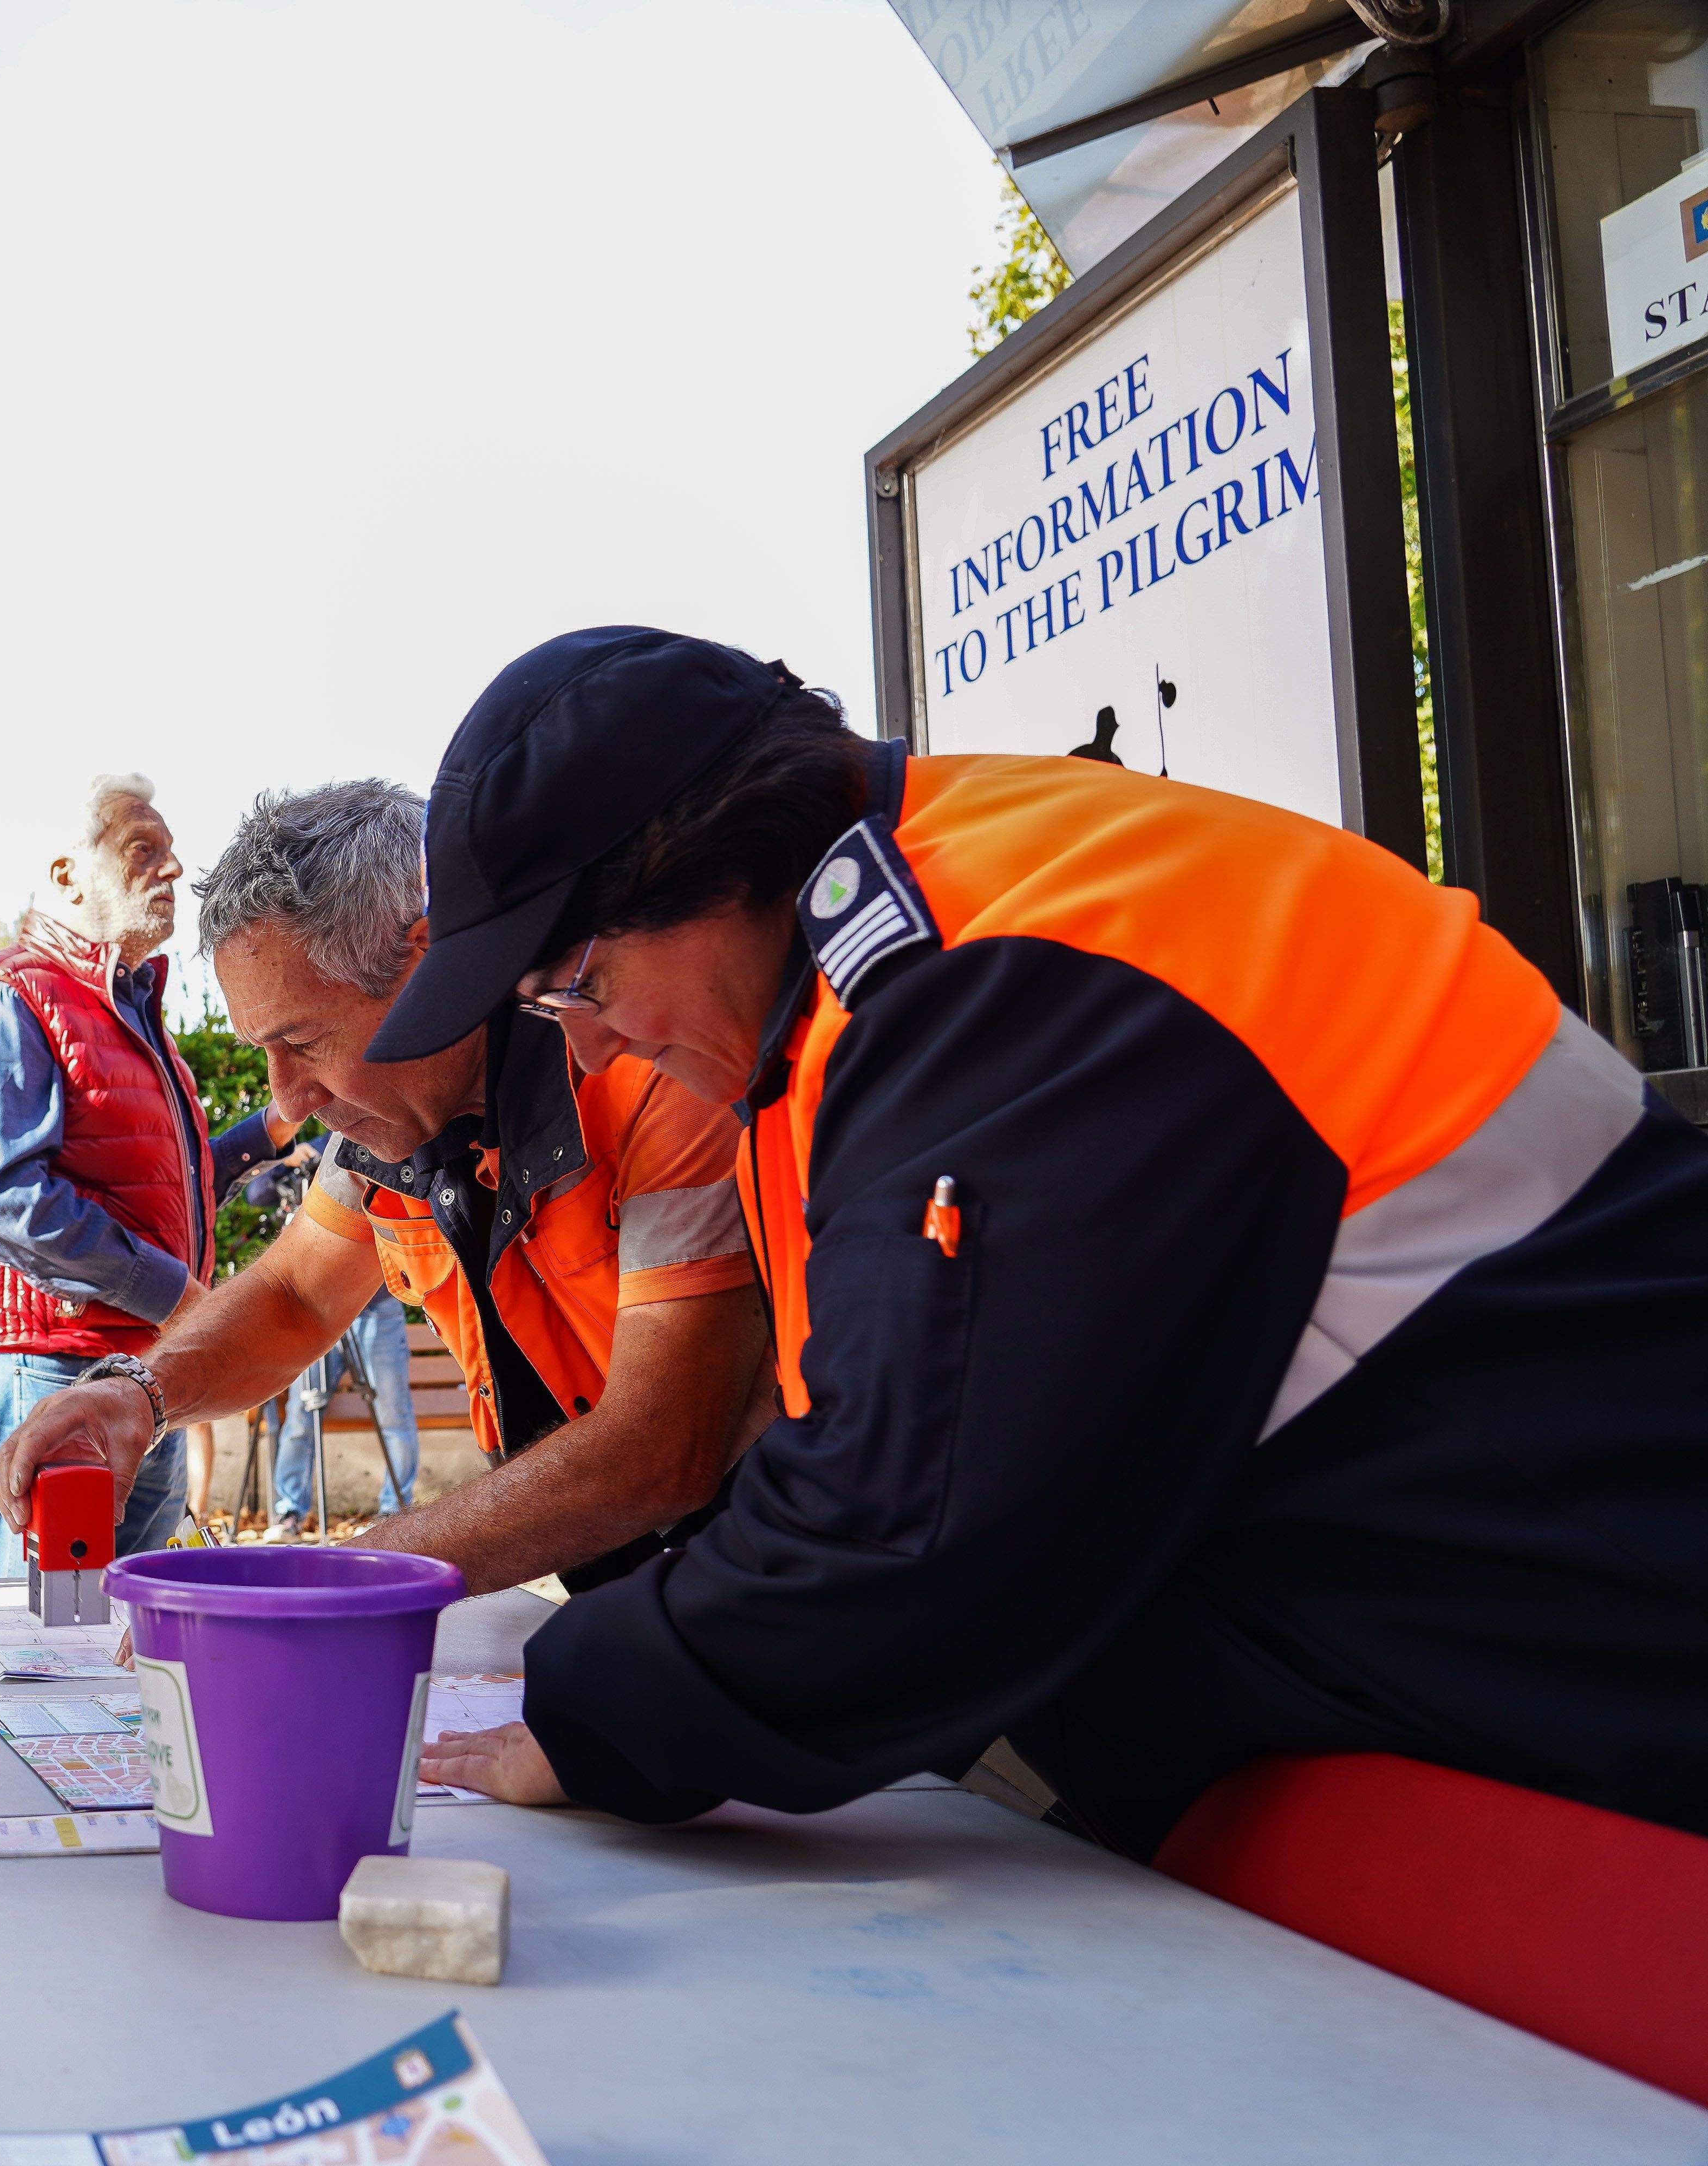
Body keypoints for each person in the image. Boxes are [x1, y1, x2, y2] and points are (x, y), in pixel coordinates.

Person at [395, 626, 1708, 1860]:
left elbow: (899, 1536)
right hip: (1456, 1707)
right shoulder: (895, 958)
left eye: (578, 985)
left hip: (1616, 1713)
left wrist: (585, 1713)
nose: (586, 1046)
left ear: (726, 863)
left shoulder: (1004, 973)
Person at [0, 781, 769, 1597]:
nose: (287, 1100)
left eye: (302, 1041)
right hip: (626, 1592)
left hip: (770, 1585)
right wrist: (138, 1396)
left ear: (427, 966)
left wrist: (347, 1579)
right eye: (263, 1051)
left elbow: (661, 1445)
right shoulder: (382, 1126)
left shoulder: (646, 1074)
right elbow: (294, 1295)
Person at [0, 777, 285, 1575]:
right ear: (67, 875)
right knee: (48, 1633)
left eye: (171, 852)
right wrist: (178, 1297)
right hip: (44, 1363)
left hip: (137, 1367)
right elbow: (5, 1199)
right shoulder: (5, 998)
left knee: (126, 1619)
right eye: (142, 851)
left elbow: (163, 1191)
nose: (174, 870)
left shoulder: (133, 1017)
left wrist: (270, 1131)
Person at [268, 1286, 419, 1536]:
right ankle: (290, 1513)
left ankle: (394, 1515)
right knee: (300, 1417)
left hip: (377, 1306)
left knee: (394, 1417)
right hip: (320, 1311)